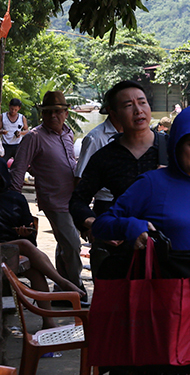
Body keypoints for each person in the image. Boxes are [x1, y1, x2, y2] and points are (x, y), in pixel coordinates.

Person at [92, 104, 190, 375]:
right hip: (170, 304)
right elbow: (102, 225)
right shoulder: (152, 184)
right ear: (176, 145)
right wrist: (132, 227)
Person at [69, 80, 167, 278]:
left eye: (142, 102)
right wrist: (97, 225)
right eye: (128, 106)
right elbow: (78, 200)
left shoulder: (173, 150)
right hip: (123, 250)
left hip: (169, 250)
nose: (138, 110)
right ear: (114, 115)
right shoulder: (106, 157)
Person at [10, 91, 85, 296]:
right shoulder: (34, 137)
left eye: (58, 111)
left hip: (72, 199)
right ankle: (75, 288)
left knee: (64, 244)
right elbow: (18, 170)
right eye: (48, 112)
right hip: (53, 200)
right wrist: (14, 206)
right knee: (72, 243)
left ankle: (62, 290)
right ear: (42, 114)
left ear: (66, 113)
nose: (53, 116)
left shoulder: (68, 134)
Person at [0, 157, 84, 329]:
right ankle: (63, 282)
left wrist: (25, 231)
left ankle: (48, 322)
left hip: (11, 247)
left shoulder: (16, 198)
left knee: (35, 270)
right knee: (23, 245)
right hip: (8, 248)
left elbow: (32, 236)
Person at [73, 93, 124, 218]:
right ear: (112, 112)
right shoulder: (95, 138)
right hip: (106, 203)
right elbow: (80, 178)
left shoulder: (133, 136)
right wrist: (84, 217)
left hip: (131, 203)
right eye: (127, 106)